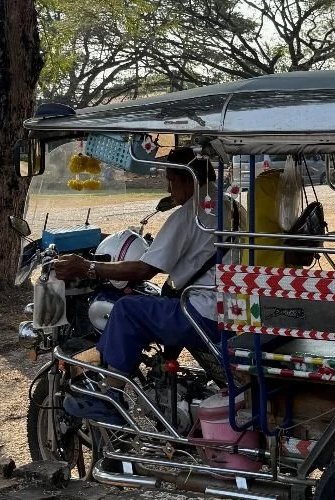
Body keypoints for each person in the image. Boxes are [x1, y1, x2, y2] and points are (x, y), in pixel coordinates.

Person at [52, 147, 219, 375]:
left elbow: (145, 269)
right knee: (163, 296)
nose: (168, 189)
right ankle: (161, 371)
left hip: (202, 313)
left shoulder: (190, 214)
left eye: (171, 181)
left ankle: (108, 398)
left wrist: (87, 267)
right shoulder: (228, 204)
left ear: (189, 179)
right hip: (227, 307)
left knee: (125, 309)